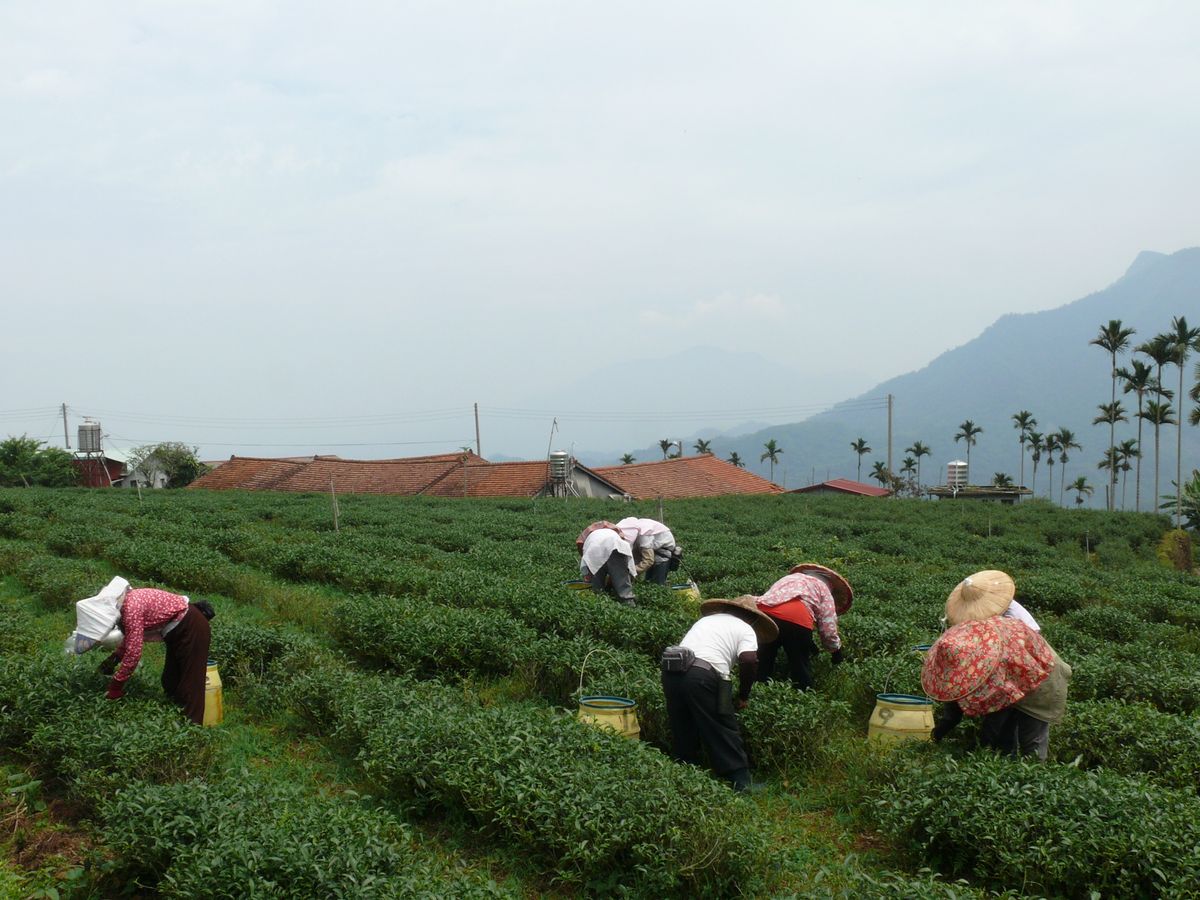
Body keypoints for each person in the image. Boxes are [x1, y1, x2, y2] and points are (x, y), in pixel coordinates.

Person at [923, 575, 1070, 760]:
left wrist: (973, 751)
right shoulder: (978, 643)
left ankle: (1032, 782)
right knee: (1006, 740)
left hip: (1042, 677)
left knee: (1031, 745)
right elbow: (958, 708)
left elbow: (994, 716)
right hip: (1014, 671)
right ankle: (1007, 768)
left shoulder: (997, 644)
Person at [660, 596, 778, 792]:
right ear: (752, 618)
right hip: (702, 675)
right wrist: (744, 694)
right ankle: (741, 782)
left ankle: (684, 775)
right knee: (722, 726)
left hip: (670, 671)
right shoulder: (745, 628)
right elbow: (749, 660)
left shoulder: (705, 620)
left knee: (682, 723)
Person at [97, 585, 214, 725]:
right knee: (170, 680)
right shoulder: (129, 603)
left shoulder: (130, 608)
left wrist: (116, 686)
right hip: (176, 631)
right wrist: (111, 661)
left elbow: (134, 653)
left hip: (191, 626)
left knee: (191, 681)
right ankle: (174, 719)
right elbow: (130, 640)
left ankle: (192, 728)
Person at [754, 563, 853, 690]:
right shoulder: (823, 588)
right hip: (797, 619)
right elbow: (828, 627)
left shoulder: (787, 579)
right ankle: (803, 693)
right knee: (800, 667)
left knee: (762, 663)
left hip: (766, 616)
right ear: (830, 585)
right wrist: (835, 651)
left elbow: (772, 599)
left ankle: (754, 694)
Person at [579, 525, 638, 606]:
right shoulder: (612, 531)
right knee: (622, 580)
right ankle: (629, 604)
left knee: (596, 584)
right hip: (617, 547)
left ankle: (598, 604)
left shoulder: (588, 537)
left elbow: (585, 558)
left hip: (595, 550)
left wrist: (587, 575)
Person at [616, 517, 681, 585]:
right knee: (648, 581)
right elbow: (634, 557)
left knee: (656, 584)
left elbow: (648, 560)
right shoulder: (634, 530)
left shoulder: (644, 535)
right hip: (653, 549)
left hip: (662, 553)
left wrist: (631, 572)